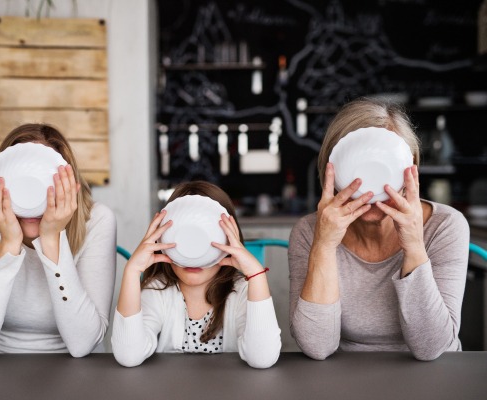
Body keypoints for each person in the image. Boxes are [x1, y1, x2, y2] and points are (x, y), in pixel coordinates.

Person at [289, 98, 469, 361]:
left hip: (433, 376)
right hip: (346, 376)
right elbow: (317, 346)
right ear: (332, 171)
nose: (372, 192)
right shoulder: (309, 231)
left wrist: (415, 246)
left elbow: (432, 348)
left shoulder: (446, 226)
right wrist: (324, 245)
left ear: (411, 170)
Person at [0, 124, 117, 364]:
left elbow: (83, 344)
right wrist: (8, 243)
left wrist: (51, 238)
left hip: (78, 371)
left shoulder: (98, 221)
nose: (31, 201)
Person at [112, 181, 281, 368]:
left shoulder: (243, 293)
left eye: (205, 243)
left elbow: (262, 358)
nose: (194, 255)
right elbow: (128, 355)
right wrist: (132, 271)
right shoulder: (158, 291)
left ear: (229, 241)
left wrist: (257, 275)